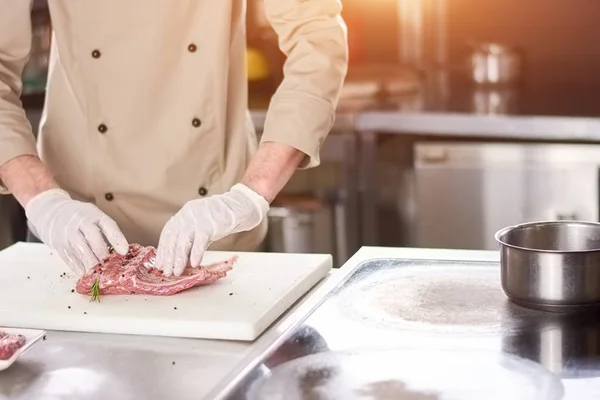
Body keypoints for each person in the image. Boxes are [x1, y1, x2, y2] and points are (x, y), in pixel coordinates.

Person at [0, 1, 348, 277]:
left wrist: (249, 195)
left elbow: (316, 40)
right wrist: (45, 202)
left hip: (214, 224)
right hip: (76, 227)